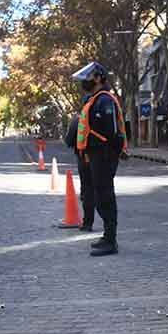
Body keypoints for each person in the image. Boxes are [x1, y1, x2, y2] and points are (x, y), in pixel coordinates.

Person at [73, 61, 128, 256]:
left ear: (98, 78)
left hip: (104, 156)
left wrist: (112, 153)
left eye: (87, 78)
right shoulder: (94, 99)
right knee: (99, 196)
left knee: (105, 197)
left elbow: (113, 132)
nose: (84, 82)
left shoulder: (104, 100)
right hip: (96, 156)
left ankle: (111, 240)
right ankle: (107, 236)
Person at [64, 96, 95, 232]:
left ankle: (88, 222)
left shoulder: (78, 119)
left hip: (84, 159)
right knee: (104, 191)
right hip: (105, 160)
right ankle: (109, 231)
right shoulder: (104, 113)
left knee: (87, 190)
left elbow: (68, 141)